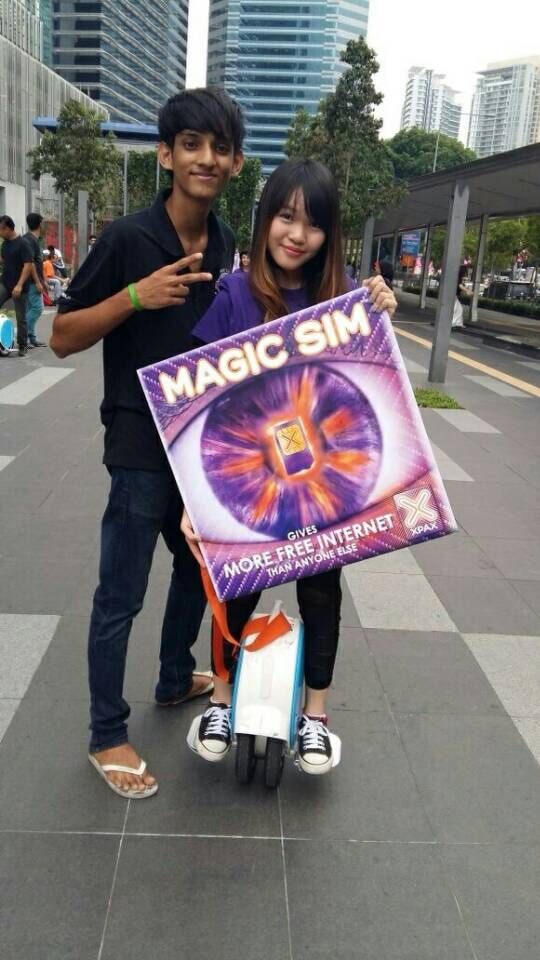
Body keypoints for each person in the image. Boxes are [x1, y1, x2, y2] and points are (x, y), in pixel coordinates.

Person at [50, 87, 245, 799]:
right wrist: (135, 296)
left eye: (219, 147)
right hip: (139, 444)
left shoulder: (224, 240)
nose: (205, 158)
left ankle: (171, 676)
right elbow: (61, 336)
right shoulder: (128, 240)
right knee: (121, 594)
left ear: (235, 163)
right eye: (191, 144)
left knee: (200, 569)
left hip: (200, 444)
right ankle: (107, 734)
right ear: (166, 155)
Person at [181, 159, 397, 775]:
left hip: (322, 477)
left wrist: (380, 310)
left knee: (322, 592)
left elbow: (373, 384)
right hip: (246, 475)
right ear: (265, 220)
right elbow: (193, 403)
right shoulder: (235, 294)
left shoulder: (345, 297)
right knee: (237, 584)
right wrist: (193, 499)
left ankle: (316, 716)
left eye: (314, 223)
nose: (298, 235)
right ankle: (220, 700)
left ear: (330, 233)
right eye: (286, 217)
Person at [0, 214, 39, 357]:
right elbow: (5, 261)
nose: (0, 233)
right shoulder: (5, 244)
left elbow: (28, 265)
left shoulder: (23, 243)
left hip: (20, 286)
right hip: (5, 283)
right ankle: (3, 339)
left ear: (8, 228)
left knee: (20, 317)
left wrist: (19, 285)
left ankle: (22, 345)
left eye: (0, 230)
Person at [24, 212, 46, 347]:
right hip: (31, 282)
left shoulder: (31, 239)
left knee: (30, 309)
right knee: (37, 308)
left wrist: (43, 281)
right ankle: (23, 335)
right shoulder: (30, 240)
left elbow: (37, 263)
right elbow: (30, 263)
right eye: (43, 223)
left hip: (31, 281)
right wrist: (38, 282)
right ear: (39, 224)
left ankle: (30, 338)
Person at [452, 264, 468, 328]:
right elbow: (460, 285)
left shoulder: (458, 277)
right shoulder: (458, 277)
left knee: (458, 309)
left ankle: (458, 323)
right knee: (458, 309)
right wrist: (467, 290)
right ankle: (455, 323)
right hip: (452, 295)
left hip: (453, 295)